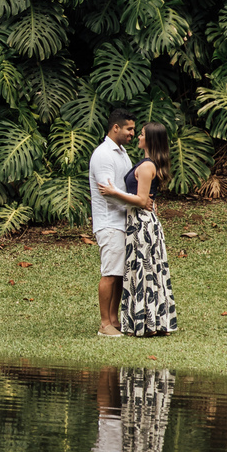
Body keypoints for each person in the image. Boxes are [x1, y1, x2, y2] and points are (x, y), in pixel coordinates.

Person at [97, 122, 178, 337]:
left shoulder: (145, 166)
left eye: (141, 134)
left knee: (143, 271)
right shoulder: (146, 164)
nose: (137, 136)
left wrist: (113, 192)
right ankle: (151, 322)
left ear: (149, 140)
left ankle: (147, 323)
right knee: (146, 271)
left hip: (140, 222)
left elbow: (142, 200)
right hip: (139, 221)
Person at [88, 109, 136, 337]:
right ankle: (104, 323)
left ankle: (115, 319)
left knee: (118, 273)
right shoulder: (103, 154)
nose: (132, 134)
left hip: (122, 220)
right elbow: (106, 191)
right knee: (109, 273)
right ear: (115, 127)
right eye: (129, 129)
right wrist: (135, 203)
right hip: (109, 221)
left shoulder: (121, 152)